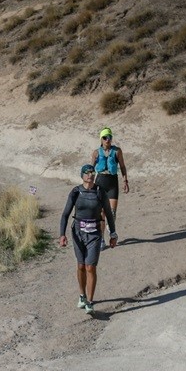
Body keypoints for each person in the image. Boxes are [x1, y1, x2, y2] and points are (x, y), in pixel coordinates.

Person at [59, 164, 117, 315]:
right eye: (87, 172)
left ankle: (90, 301)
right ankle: (82, 295)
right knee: (80, 266)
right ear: (82, 175)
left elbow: (109, 215)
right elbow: (65, 214)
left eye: (92, 172)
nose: (90, 175)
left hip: (95, 233)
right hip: (78, 232)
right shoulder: (76, 192)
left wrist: (113, 234)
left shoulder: (100, 192)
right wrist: (62, 235)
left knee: (90, 267)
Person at [90, 127, 129, 229]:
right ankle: (102, 238)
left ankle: (111, 228)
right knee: (101, 213)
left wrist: (125, 181)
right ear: (101, 139)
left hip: (112, 183)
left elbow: (122, 166)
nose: (107, 139)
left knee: (112, 213)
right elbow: (91, 169)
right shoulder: (96, 153)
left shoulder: (117, 151)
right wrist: (89, 184)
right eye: (105, 137)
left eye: (109, 137)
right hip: (100, 182)